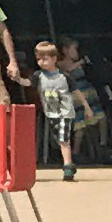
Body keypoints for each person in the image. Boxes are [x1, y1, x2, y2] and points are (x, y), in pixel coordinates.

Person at [32, 41, 85, 183]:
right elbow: (28, 83)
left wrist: (86, 107)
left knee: (63, 140)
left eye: (44, 59)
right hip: (50, 113)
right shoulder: (38, 76)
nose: (41, 62)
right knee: (58, 140)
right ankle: (69, 164)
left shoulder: (64, 77)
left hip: (65, 112)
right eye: (38, 59)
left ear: (54, 59)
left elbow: (76, 91)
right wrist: (17, 78)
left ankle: (67, 165)